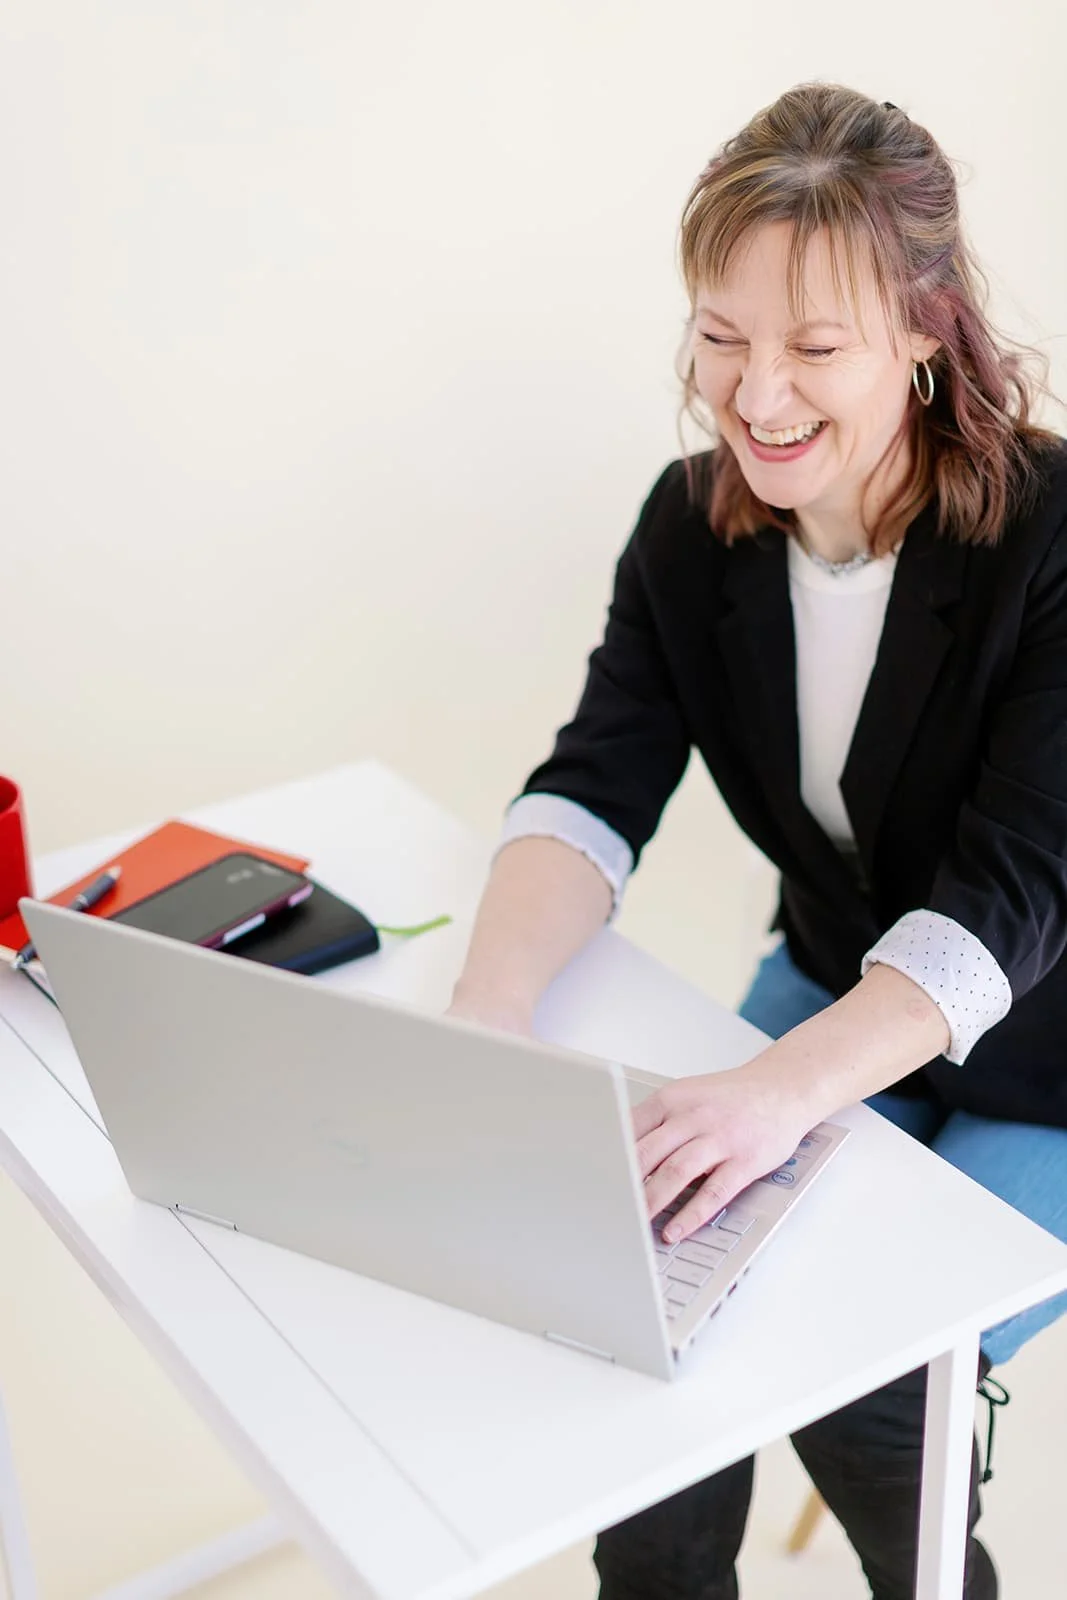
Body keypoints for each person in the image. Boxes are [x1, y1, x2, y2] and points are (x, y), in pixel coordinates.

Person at [447, 82, 1067, 1600]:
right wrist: (484, 1016)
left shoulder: (1051, 536)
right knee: (646, 1322)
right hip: (833, 973)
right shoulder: (689, 527)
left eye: (812, 345)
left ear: (925, 332)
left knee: (870, 1393)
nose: (756, 395)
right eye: (719, 340)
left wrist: (769, 1100)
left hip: (1052, 1057)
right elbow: (591, 785)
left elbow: (1016, 888)